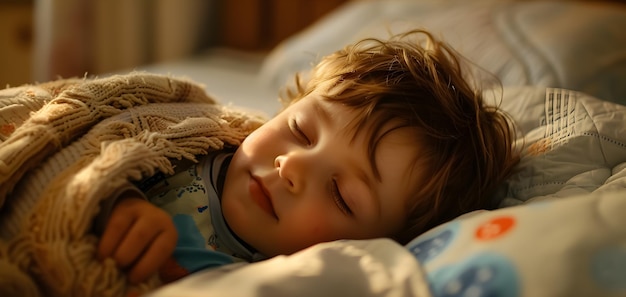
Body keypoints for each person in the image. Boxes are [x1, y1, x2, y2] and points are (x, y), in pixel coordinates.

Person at [95, 29, 519, 285]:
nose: (293, 166)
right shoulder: (187, 143)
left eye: (341, 194)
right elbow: (82, 146)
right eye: (300, 130)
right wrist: (112, 198)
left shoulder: (277, 282)